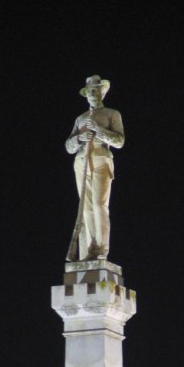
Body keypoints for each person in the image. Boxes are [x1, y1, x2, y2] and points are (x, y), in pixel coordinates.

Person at [65, 75, 125, 261]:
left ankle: (101, 249)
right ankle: (88, 249)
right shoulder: (80, 118)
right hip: (82, 161)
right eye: (89, 90)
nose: (92, 93)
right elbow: (68, 146)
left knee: (99, 205)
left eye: (96, 89)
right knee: (86, 208)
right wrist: (78, 139)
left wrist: (99, 130)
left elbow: (119, 141)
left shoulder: (111, 114)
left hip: (101, 158)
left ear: (102, 92)